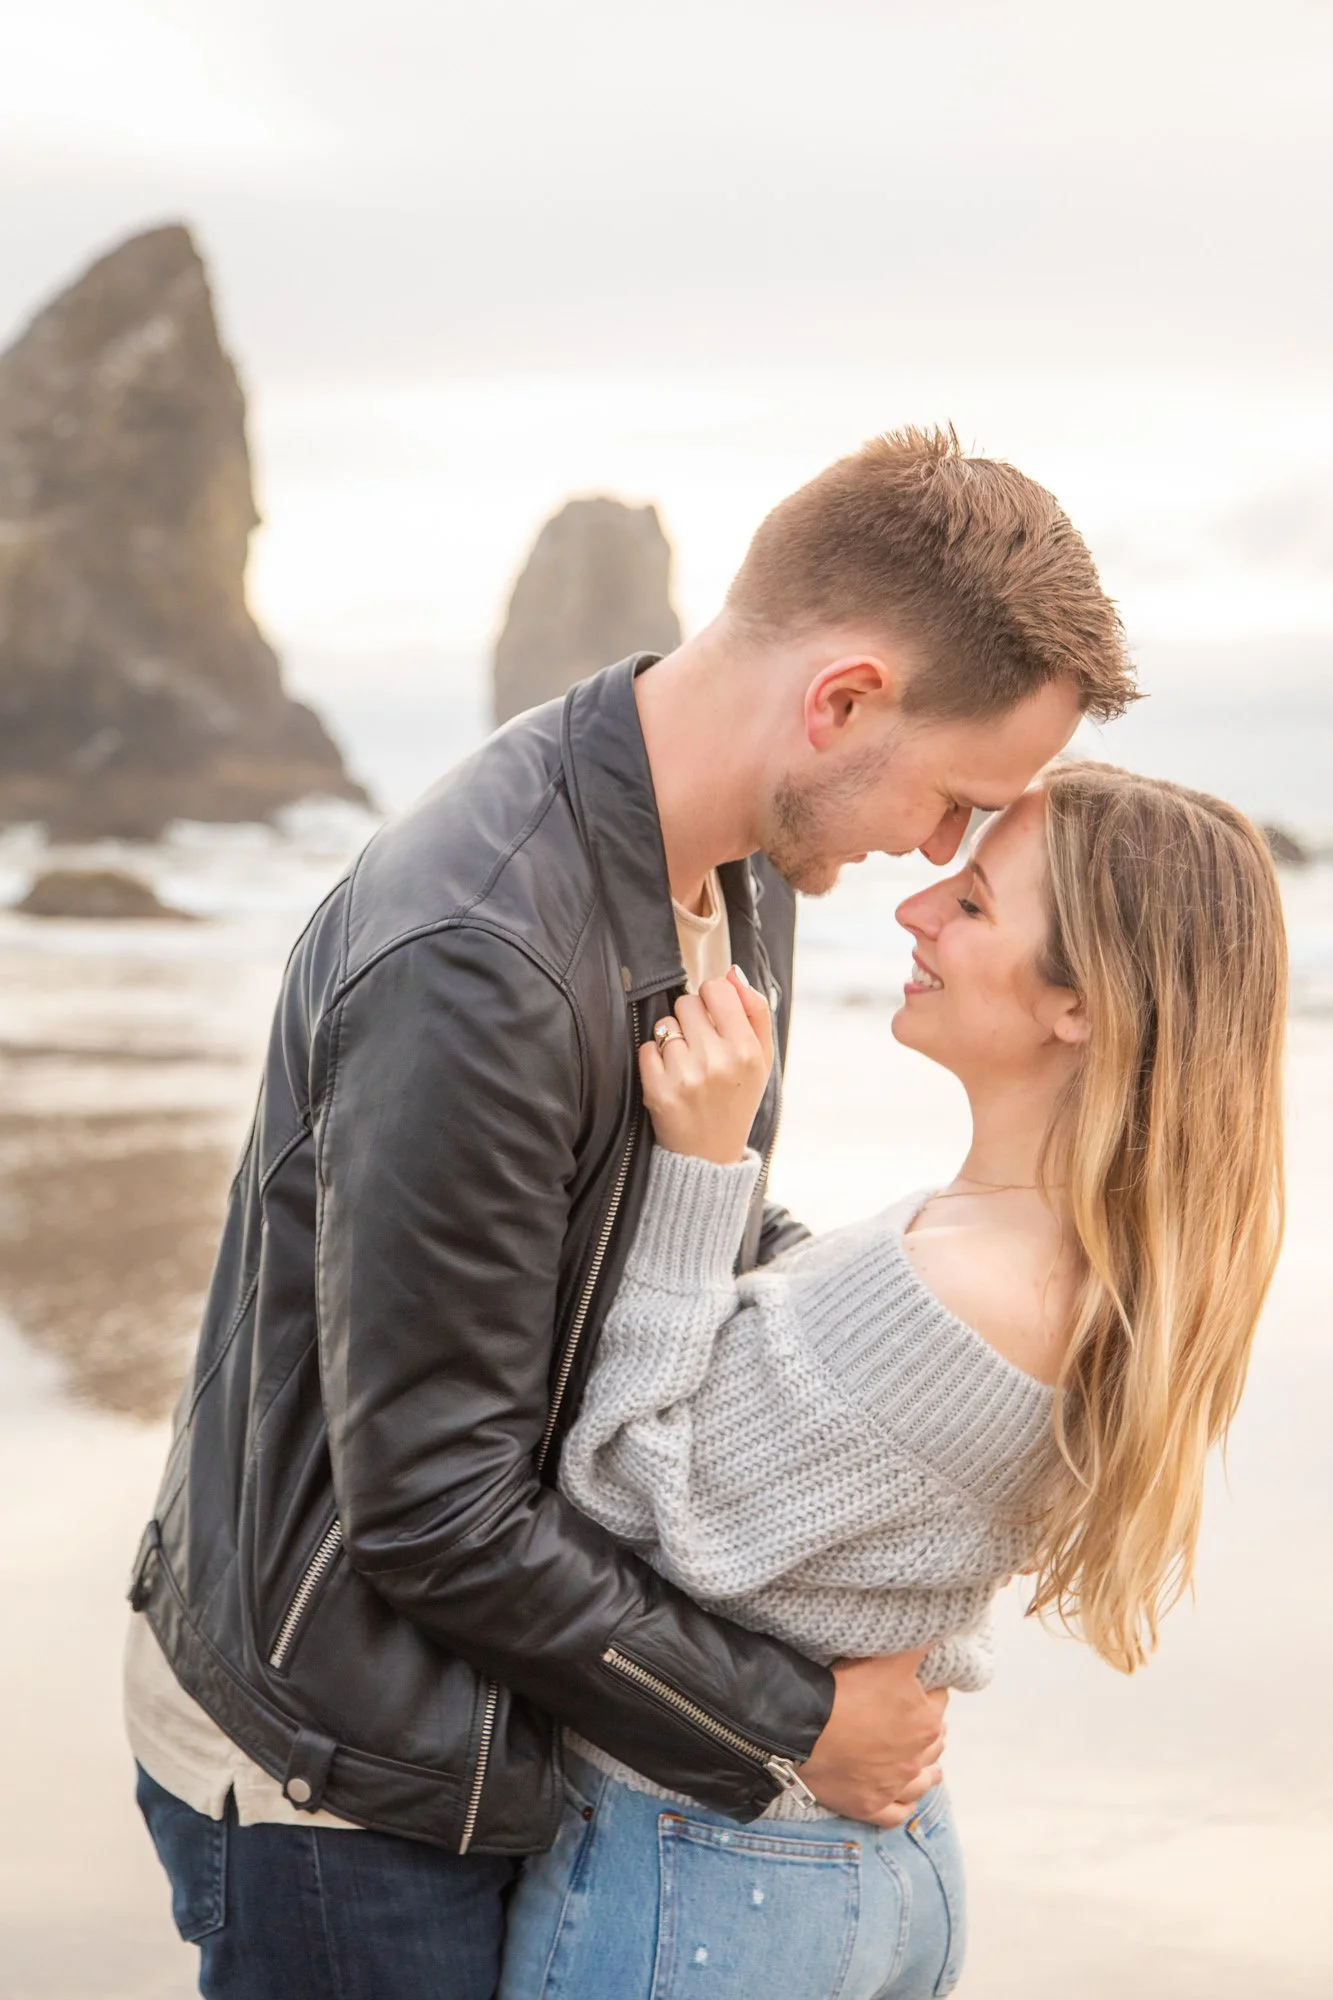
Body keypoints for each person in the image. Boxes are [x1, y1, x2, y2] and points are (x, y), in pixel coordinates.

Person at [125, 428, 1134, 1999]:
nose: (939, 857)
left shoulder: (745, 866)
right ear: (843, 702)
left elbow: (654, 1225)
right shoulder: (479, 953)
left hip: (499, 1701)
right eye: (954, 797)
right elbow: (431, 1510)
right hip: (349, 1759)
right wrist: (793, 1722)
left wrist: (934, 1335)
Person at [497, 762, 1287, 2000]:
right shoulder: (1069, 1255)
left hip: (720, 1872)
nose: (917, 908)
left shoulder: (960, 1286)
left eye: (972, 903)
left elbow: (621, 1491)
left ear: (1078, 1006)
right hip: (859, 1860)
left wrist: (701, 1165)